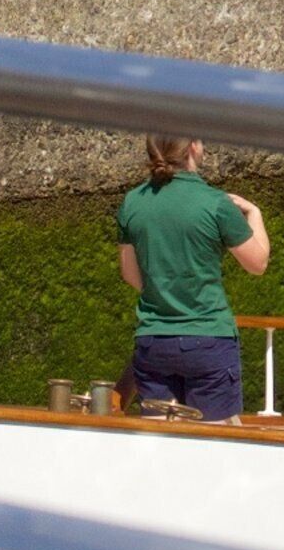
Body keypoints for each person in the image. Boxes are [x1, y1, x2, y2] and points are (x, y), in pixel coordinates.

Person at [113, 134, 271, 419]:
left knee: (161, 446)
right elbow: (257, 263)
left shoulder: (133, 203)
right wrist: (255, 214)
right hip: (209, 339)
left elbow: (130, 273)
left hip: (154, 340)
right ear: (193, 148)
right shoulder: (215, 203)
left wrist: (165, 290)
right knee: (213, 446)